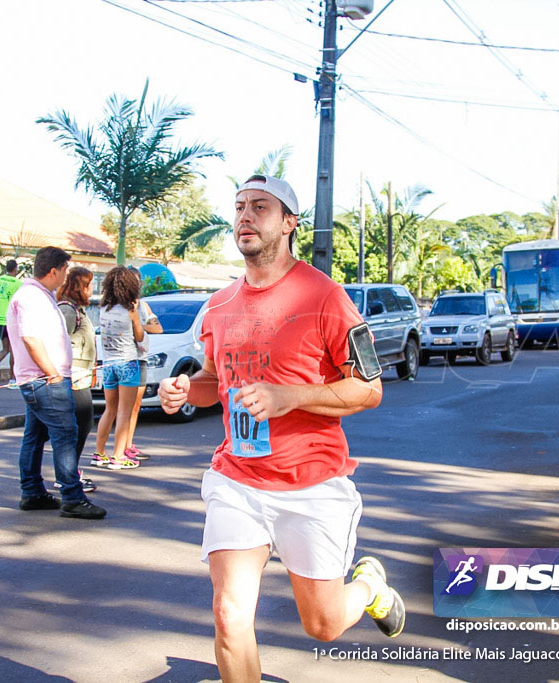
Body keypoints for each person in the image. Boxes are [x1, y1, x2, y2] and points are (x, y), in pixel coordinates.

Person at [158, 175, 404, 682]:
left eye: (260, 208)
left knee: (325, 624)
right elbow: (213, 381)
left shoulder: (327, 298)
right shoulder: (219, 306)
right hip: (237, 480)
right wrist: (185, 390)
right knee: (229, 614)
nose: (245, 217)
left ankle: (371, 588)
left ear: (290, 223)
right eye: (239, 207)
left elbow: (370, 389)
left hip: (312, 485)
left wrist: (287, 396)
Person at [7, 246, 106, 520]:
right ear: (54, 270)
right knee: (65, 436)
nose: (66, 276)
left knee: (35, 437)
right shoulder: (31, 297)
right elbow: (30, 338)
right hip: (45, 381)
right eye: (64, 270)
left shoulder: (40, 295)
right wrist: (51, 372)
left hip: (42, 379)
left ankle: (32, 492)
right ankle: (72, 497)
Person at [91, 266, 145, 470]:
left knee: (109, 409)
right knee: (125, 412)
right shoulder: (131, 310)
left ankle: (99, 453)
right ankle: (118, 457)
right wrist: (138, 320)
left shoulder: (103, 308)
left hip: (109, 364)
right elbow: (139, 336)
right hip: (127, 362)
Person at [56, 266, 98, 494]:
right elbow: (58, 345)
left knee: (82, 426)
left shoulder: (78, 310)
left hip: (81, 378)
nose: (92, 289)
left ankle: (70, 473)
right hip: (72, 379)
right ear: (80, 286)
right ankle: (67, 476)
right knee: (77, 428)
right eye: (89, 284)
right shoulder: (68, 311)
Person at [122, 283, 163, 460]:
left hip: (141, 358)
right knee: (118, 409)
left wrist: (138, 325)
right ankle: (114, 450)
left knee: (135, 407)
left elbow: (158, 329)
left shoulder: (143, 306)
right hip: (123, 359)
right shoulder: (115, 306)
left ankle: (128, 445)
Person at [0, 259, 23, 382]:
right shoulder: (18, 283)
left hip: (1, 320)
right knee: (13, 349)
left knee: (5, 349)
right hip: (12, 320)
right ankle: (12, 378)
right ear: (15, 269)